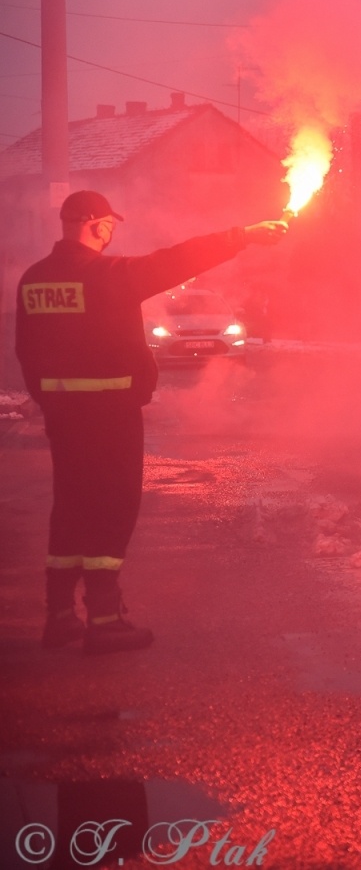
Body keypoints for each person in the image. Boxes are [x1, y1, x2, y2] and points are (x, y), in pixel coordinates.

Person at [14, 190, 287, 654]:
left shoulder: (34, 280)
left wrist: (49, 400)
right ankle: (104, 620)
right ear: (98, 225)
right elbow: (177, 260)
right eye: (108, 225)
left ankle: (59, 615)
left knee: (71, 506)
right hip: (111, 414)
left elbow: (25, 349)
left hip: (64, 417)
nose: (110, 232)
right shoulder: (109, 275)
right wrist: (243, 235)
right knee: (112, 508)